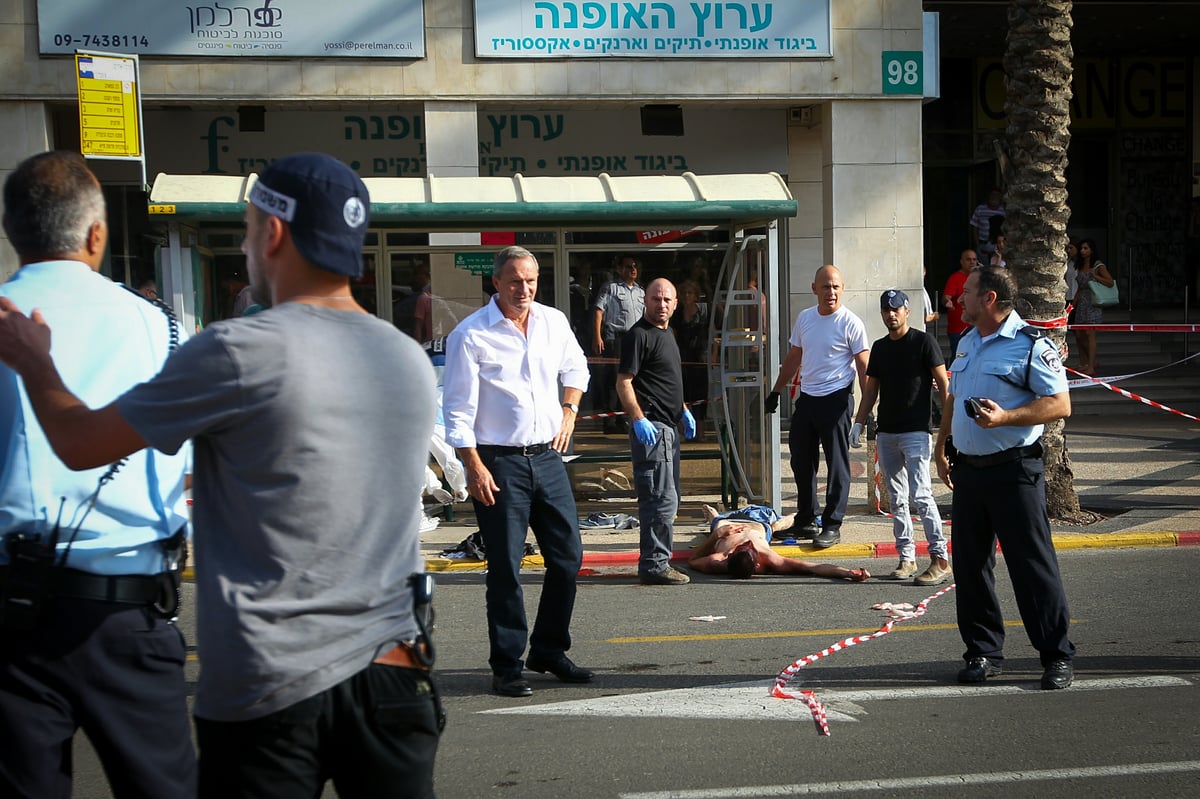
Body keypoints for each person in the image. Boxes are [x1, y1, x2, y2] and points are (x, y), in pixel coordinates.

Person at [0, 152, 443, 796]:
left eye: (245, 227)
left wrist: (38, 363)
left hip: (273, 682)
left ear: (273, 232)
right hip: (395, 668)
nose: (242, 247)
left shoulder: (238, 350)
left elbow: (79, 441)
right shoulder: (405, 359)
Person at [0, 151, 195, 799]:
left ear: (13, 232)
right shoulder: (163, 327)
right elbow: (185, 464)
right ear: (96, 234)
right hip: (130, 607)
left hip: (12, 611)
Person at [443, 245, 594, 698]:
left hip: (547, 457)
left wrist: (569, 409)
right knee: (506, 566)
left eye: (530, 280)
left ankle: (548, 649)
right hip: (497, 462)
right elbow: (457, 409)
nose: (523, 289)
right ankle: (507, 664)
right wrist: (472, 465)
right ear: (496, 283)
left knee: (567, 558)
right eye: (514, 281)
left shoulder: (552, 321)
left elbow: (577, 368)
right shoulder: (471, 335)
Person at [933, 265, 1075, 691]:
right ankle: (983, 652)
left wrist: (1007, 417)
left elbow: (1060, 404)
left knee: (1031, 565)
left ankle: (1055, 655)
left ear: (990, 298)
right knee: (971, 566)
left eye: (969, 292)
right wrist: (943, 445)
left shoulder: (1032, 344)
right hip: (969, 472)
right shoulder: (968, 342)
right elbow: (954, 398)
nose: (960, 299)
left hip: (1015, 470)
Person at [764, 265, 869, 549]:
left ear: (843, 289)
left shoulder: (851, 323)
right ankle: (806, 520)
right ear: (814, 289)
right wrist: (776, 391)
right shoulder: (805, 318)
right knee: (800, 461)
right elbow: (794, 356)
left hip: (836, 399)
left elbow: (863, 367)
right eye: (825, 287)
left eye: (835, 286)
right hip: (808, 398)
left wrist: (867, 410)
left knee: (837, 465)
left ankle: (832, 524)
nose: (830, 292)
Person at [851, 290, 951, 585]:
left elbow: (944, 385)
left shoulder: (923, 342)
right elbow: (871, 390)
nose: (890, 314)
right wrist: (858, 422)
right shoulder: (880, 347)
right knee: (896, 498)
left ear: (907, 311)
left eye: (896, 308)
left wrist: (948, 428)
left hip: (916, 430)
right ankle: (906, 557)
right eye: (886, 309)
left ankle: (939, 557)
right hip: (888, 431)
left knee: (921, 494)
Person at [617, 278, 696, 586]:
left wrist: (684, 409)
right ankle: (654, 565)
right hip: (653, 429)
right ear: (645, 302)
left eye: (667, 300)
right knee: (659, 500)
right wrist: (638, 418)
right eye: (655, 299)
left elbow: (667, 382)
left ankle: (658, 560)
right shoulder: (638, 335)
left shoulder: (669, 334)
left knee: (669, 500)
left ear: (675, 304)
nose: (661, 304)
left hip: (669, 428)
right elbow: (624, 382)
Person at [688, 505, 870, 581]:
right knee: (774, 525)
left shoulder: (718, 560)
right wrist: (848, 573)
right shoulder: (770, 559)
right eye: (748, 547)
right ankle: (796, 517)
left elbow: (693, 560)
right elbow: (813, 567)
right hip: (761, 525)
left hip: (724, 523)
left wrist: (717, 534)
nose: (748, 543)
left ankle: (715, 516)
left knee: (717, 521)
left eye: (746, 546)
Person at [591, 253, 645, 433]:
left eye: (635, 266)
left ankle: (626, 418)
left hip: (636, 339)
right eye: (629, 266)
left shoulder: (640, 291)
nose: (633, 269)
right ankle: (610, 421)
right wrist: (597, 336)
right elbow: (599, 311)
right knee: (614, 380)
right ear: (619, 269)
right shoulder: (610, 288)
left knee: (633, 380)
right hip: (617, 339)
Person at [671, 279, 710, 437]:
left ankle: (700, 432)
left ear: (696, 295)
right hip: (682, 357)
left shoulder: (704, 312)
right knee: (683, 394)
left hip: (700, 358)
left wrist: (712, 355)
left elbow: (712, 334)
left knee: (701, 395)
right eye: (685, 293)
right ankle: (682, 432)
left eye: (690, 293)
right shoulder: (677, 314)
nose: (687, 296)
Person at [1071, 238, 1114, 376]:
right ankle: (1084, 362)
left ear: (1092, 250)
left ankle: (1091, 365)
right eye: (1082, 248)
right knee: (1079, 334)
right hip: (1082, 302)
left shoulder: (1098, 265)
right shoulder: (1080, 264)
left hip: (1093, 302)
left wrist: (1095, 276)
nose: (1083, 251)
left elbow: (1110, 282)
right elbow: (1079, 288)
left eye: (1086, 248)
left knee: (1090, 334)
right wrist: (1072, 306)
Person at [943, 249, 978, 358]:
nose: (972, 262)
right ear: (962, 262)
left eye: (974, 259)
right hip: (958, 329)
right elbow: (945, 297)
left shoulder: (980, 278)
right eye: (968, 259)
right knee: (959, 359)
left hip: (977, 327)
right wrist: (947, 302)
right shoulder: (955, 278)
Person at [968, 188, 1005, 262]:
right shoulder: (980, 209)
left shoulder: (1003, 211)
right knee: (983, 270)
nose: (994, 197)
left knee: (996, 269)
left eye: (997, 195)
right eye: (992, 195)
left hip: (997, 246)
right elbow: (974, 226)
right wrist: (977, 244)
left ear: (1000, 197)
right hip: (983, 244)